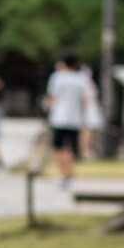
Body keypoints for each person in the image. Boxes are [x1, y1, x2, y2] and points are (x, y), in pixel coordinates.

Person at [44, 52, 88, 189]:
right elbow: (84, 100)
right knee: (70, 148)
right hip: (74, 119)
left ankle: (63, 174)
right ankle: (69, 174)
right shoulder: (81, 78)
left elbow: (51, 97)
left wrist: (48, 112)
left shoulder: (58, 77)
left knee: (58, 148)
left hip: (59, 117)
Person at [79, 64, 105, 158]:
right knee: (85, 131)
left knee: (91, 131)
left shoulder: (90, 83)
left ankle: (89, 149)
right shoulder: (82, 83)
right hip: (87, 111)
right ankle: (84, 151)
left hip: (92, 110)